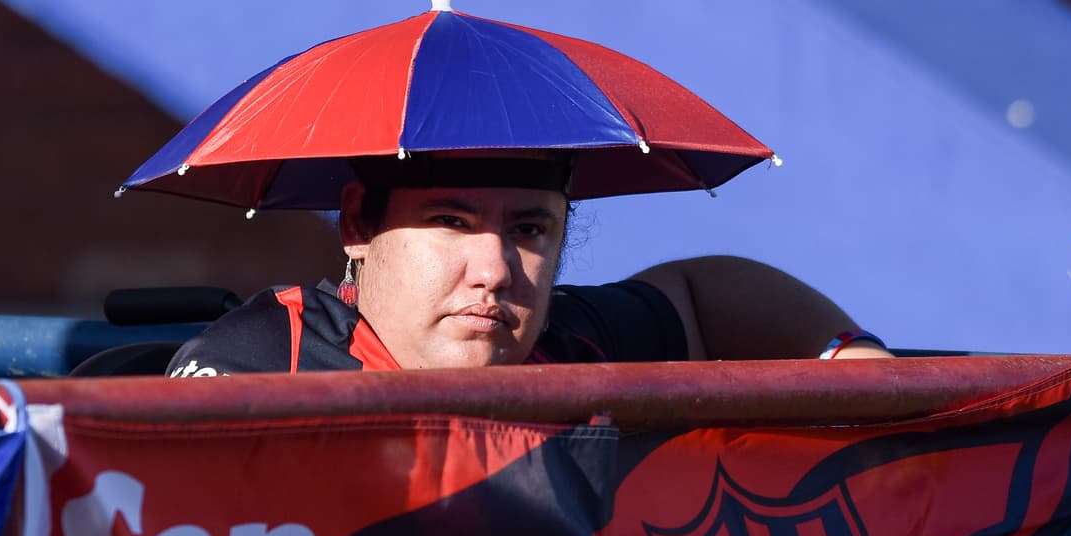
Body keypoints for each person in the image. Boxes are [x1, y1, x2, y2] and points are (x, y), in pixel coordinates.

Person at [165, 151, 890, 377]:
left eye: (530, 227)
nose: (496, 268)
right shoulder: (260, 361)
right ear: (358, 222)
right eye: (451, 221)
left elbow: (700, 296)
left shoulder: (566, 340)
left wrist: (858, 363)